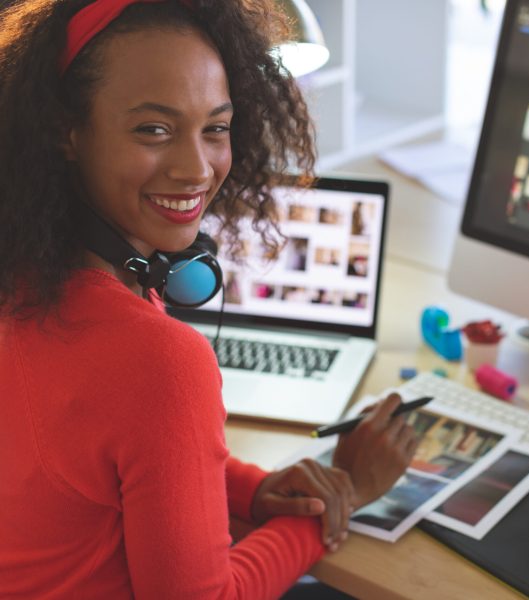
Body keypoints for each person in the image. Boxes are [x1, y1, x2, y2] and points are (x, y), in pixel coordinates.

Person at [0, 1, 418, 598]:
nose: (198, 168)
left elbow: (112, 463)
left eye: (216, 127)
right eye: (154, 129)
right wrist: (344, 484)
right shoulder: (157, 360)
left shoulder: (27, 277)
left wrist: (249, 488)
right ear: (67, 131)